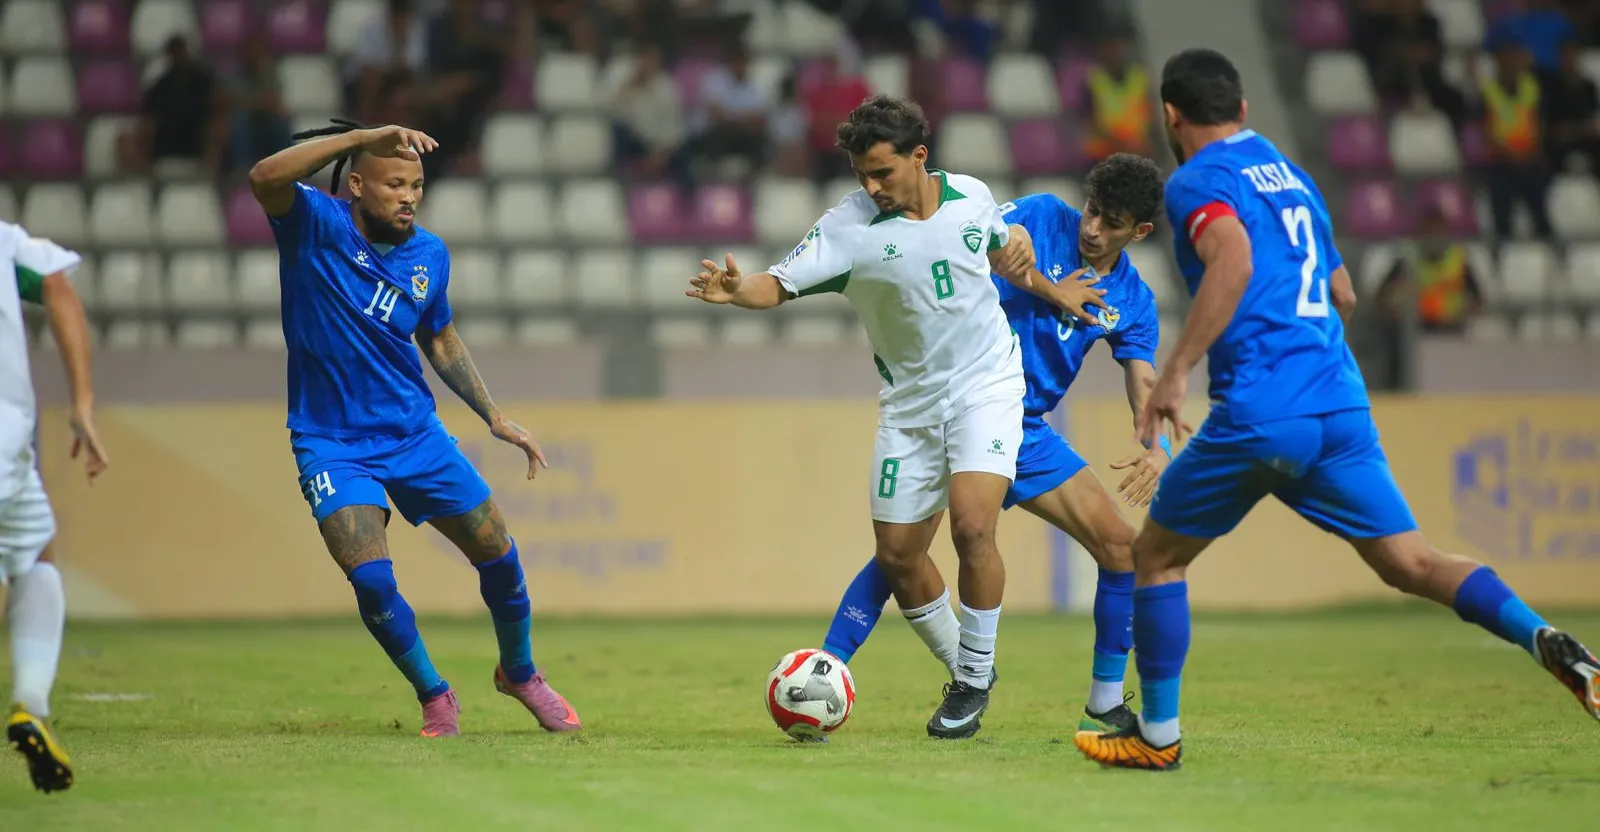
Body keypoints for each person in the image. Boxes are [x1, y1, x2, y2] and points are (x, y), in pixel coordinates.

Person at [1073, 49, 1600, 772]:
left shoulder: (1198, 181)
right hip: (1339, 406)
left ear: (1170, 115)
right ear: (1244, 111)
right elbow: (1343, 293)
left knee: (1156, 558)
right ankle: (1543, 637)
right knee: (1413, 561)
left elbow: (1231, 259)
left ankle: (1155, 736)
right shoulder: (1294, 177)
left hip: (1262, 408)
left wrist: (1176, 372)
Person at [689, 95, 1040, 738]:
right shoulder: (847, 227)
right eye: (862, 176)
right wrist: (739, 291)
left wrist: (1021, 249)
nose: (872, 187)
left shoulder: (971, 196)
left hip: (986, 387)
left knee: (970, 526)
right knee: (899, 555)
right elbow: (778, 283)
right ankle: (973, 668)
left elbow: (995, 244)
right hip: (908, 407)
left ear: (919, 156)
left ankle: (967, 682)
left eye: (882, 172)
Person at [817, 153, 1172, 739]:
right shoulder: (1040, 216)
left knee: (1119, 549)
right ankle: (832, 665)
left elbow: (1144, 381)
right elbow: (971, 241)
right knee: (903, 552)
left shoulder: (1131, 299)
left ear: (1140, 232)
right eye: (1091, 211)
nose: (1091, 228)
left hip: (1026, 427)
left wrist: (1155, 445)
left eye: (1111, 223)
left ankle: (1106, 701)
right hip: (961, 402)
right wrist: (1050, 287)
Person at [246, 119, 579, 738]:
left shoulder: (430, 254)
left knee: (498, 552)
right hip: (331, 441)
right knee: (372, 579)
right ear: (355, 185)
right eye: (394, 183)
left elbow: (439, 335)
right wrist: (360, 135)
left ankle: (521, 673)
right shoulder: (313, 223)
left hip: (413, 434)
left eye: (417, 185)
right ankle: (435, 694)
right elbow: (264, 174)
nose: (408, 196)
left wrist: (493, 416)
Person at [3, 221, 109, 793]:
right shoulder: (4, 243)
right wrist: (83, 404)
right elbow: (57, 289)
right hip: (6, 438)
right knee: (34, 557)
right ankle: (29, 702)